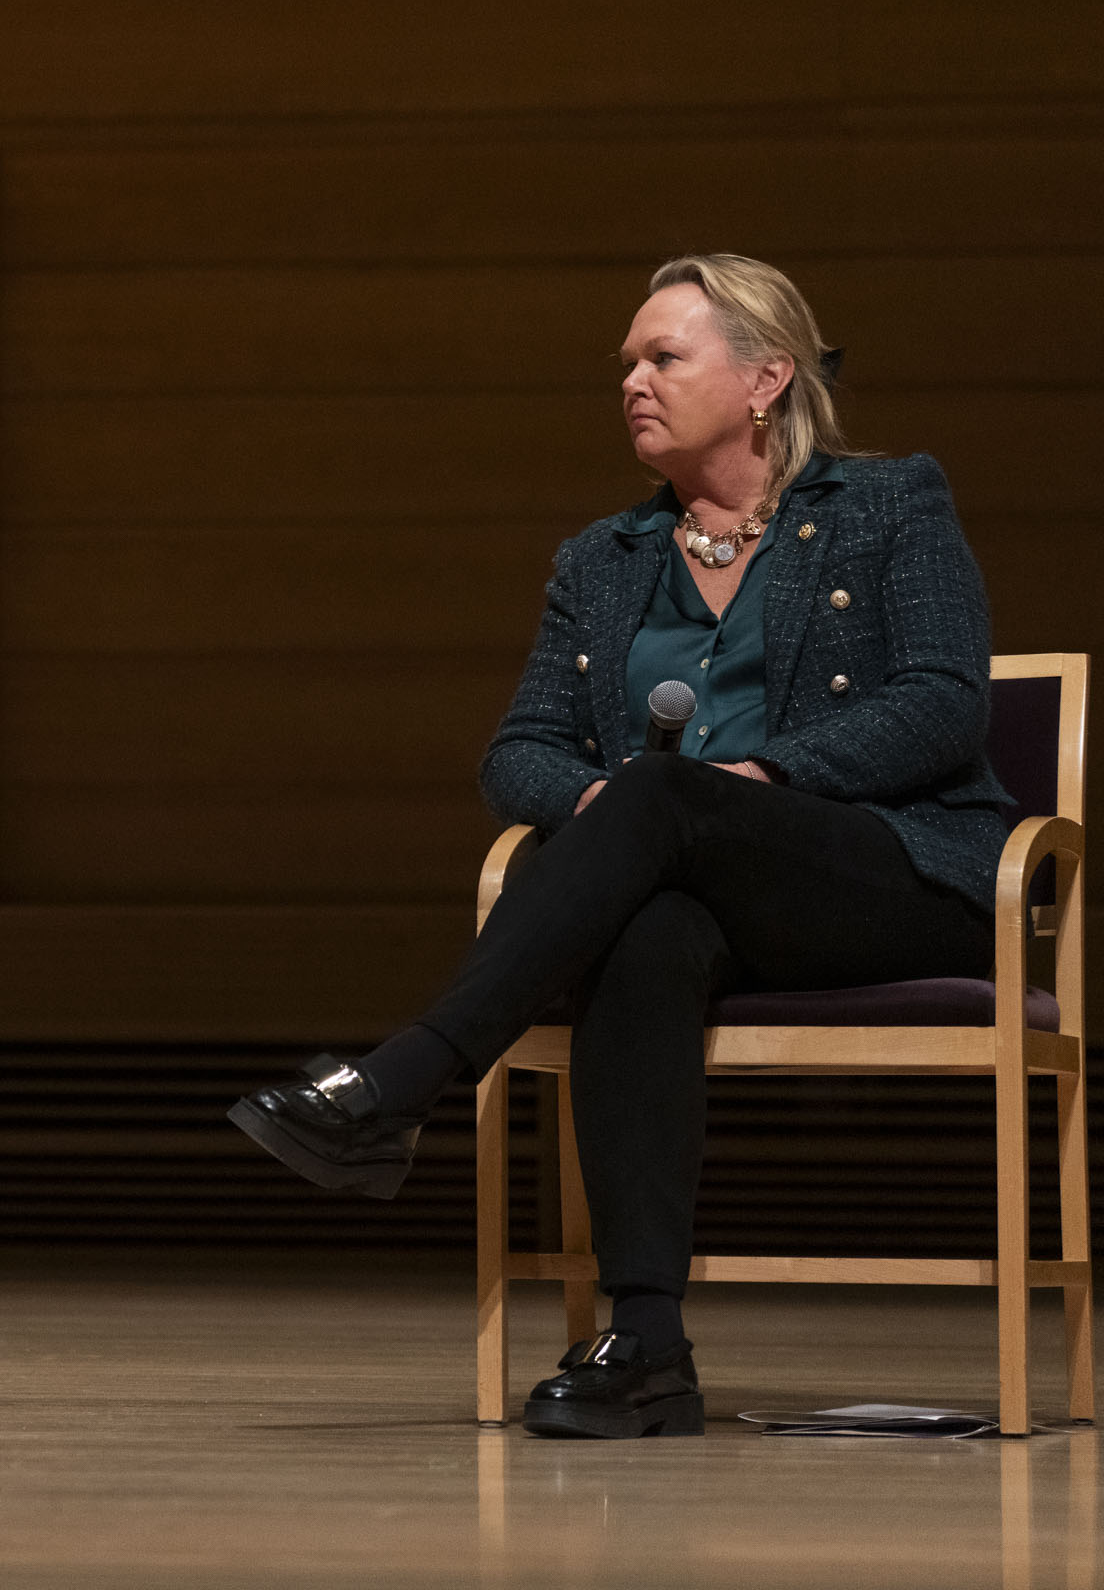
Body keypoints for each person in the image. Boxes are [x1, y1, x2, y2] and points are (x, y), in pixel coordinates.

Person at [231, 253, 1010, 1438]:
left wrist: (760, 775)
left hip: (882, 866)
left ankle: (404, 1079)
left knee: (663, 795)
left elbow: (946, 701)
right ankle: (645, 1341)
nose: (633, 382)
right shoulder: (602, 560)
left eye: (663, 357)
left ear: (766, 377)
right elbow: (520, 752)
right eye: (629, 363)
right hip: (688, 875)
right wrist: (605, 806)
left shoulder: (887, 503)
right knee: (644, 918)